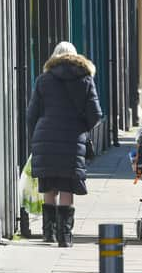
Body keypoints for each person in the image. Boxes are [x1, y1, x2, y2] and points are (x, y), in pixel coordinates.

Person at [27, 41, 102, 247]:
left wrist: (36, 137)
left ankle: (48, 233)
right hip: (72, 139)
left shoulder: (43, 80)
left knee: (49, 186)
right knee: (67, 186)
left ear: (54, 57)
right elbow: (96, 114)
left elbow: (31, 114)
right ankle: (65, 237)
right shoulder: (85, 79)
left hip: (46, 140)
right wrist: (81, 126)